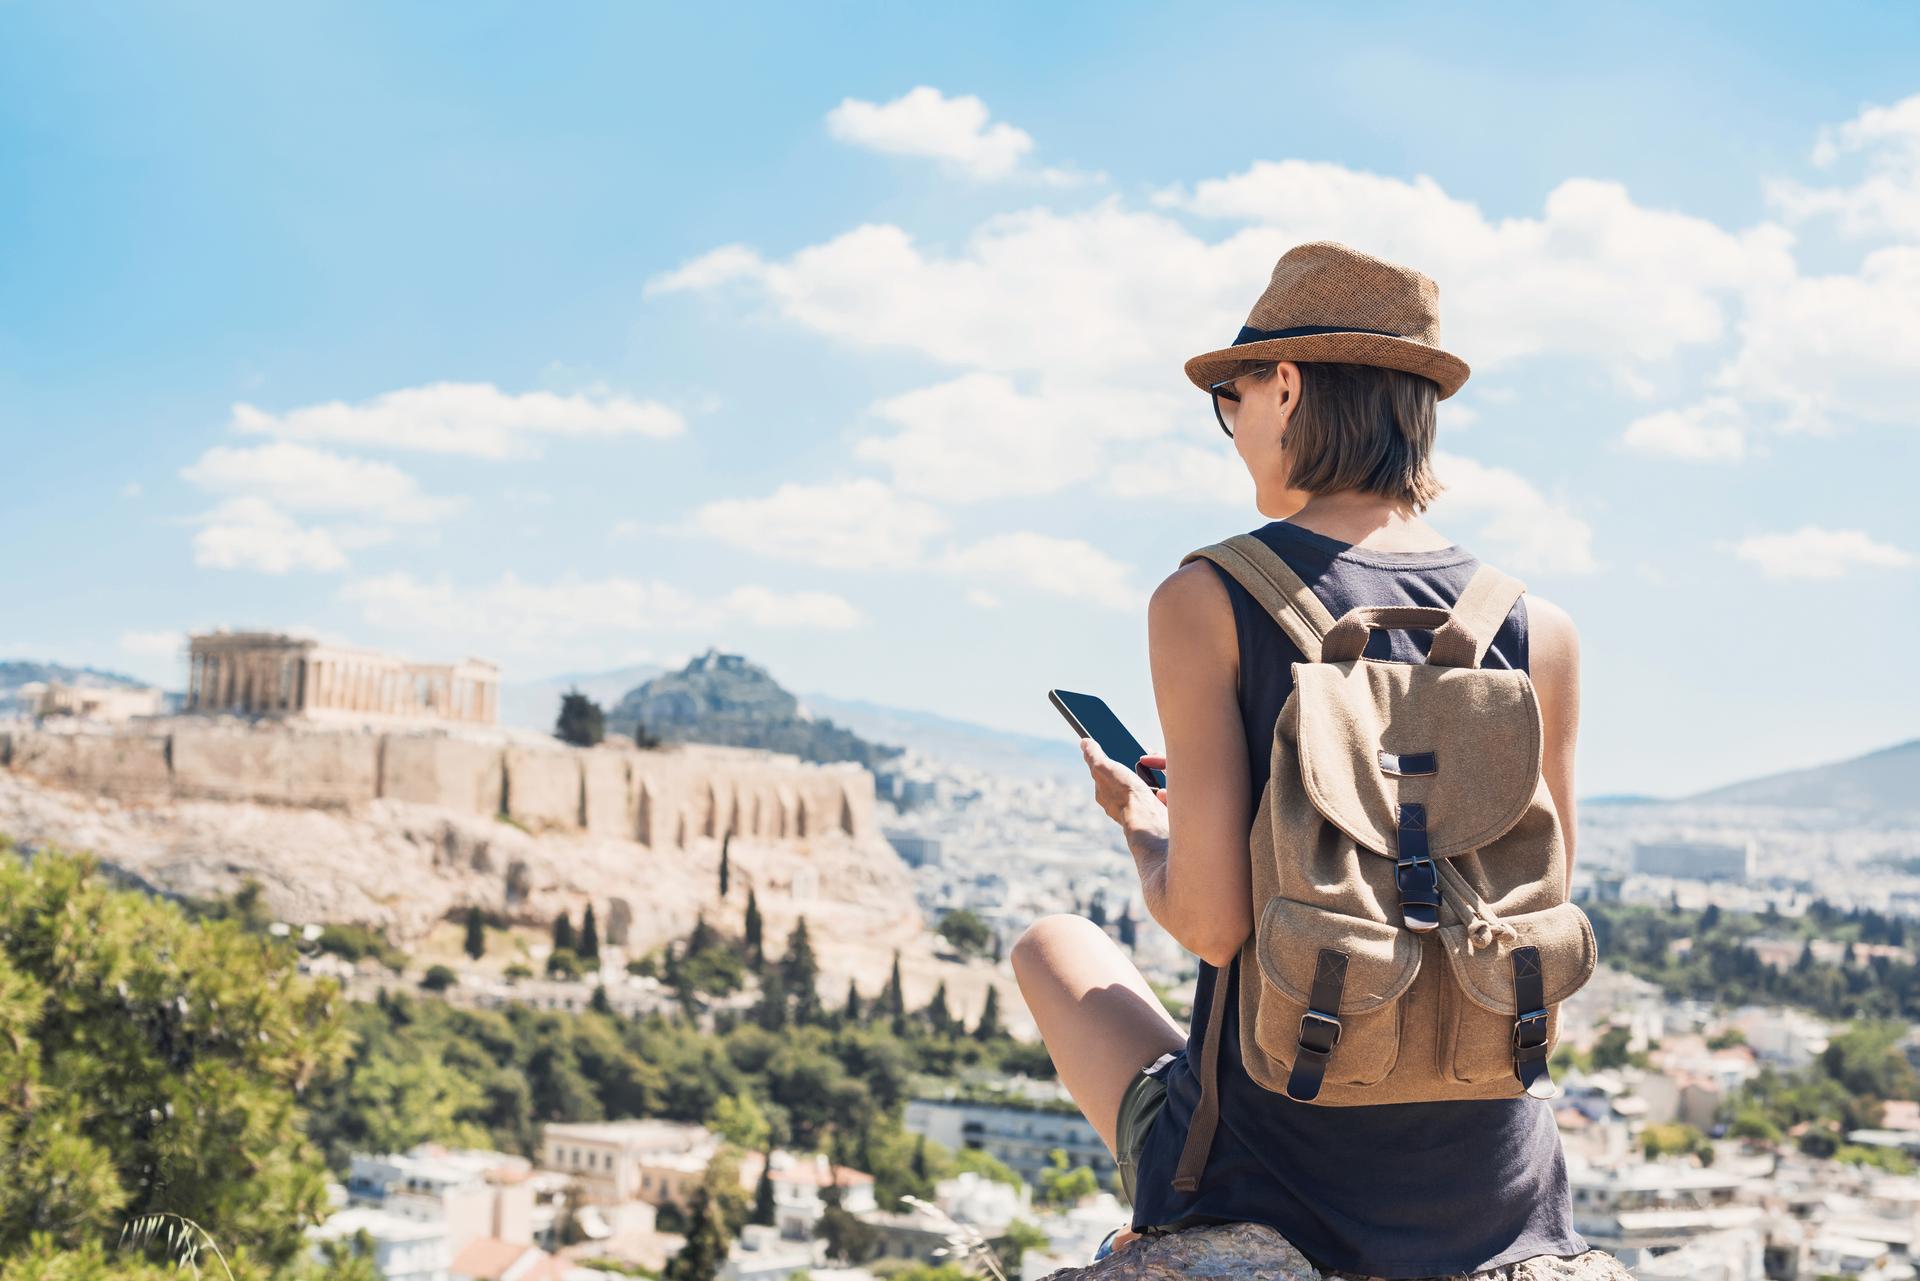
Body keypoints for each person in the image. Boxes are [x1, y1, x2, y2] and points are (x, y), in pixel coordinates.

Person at [1009, 242, 1632, 1280]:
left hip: (1276, 1176)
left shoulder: (1209, 598)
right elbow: (1540, 902)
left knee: (1051, 945)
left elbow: (1211, 926)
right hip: (1496, 1190)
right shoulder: (1539, 628)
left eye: (1233, 395)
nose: (1233, 424)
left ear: (1286, 385)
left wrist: (1151, 831)